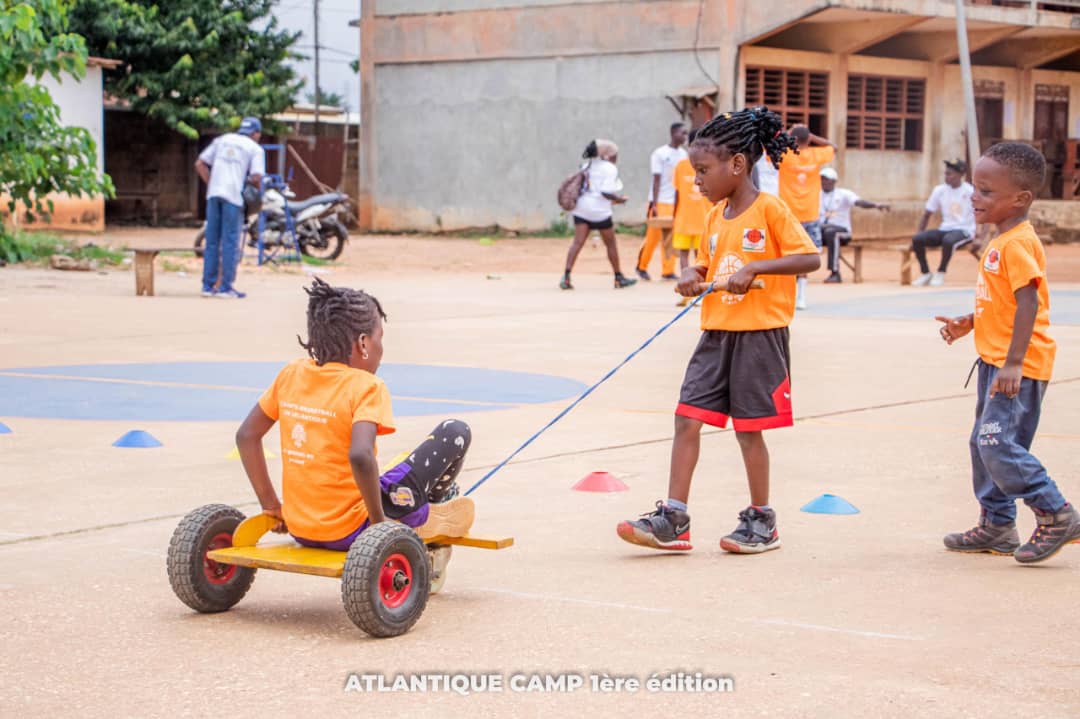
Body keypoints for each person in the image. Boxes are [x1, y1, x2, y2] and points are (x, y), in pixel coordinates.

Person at [616, 107, 820, 554]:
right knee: (686, 418)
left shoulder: (770, 210)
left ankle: (761, 520)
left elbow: (810, 258)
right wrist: (692, 274)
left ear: (738, 165)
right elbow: (709, 263)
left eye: (703, 171)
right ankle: (674, 517)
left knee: (749, 429)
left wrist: (759, 267)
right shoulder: (714, 216)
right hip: (716, 334)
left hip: (759, 336)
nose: (697, 182)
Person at [235, 278, 477, 573]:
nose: (381, 348)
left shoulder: (292, 374)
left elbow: (247, 435)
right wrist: (378, 527)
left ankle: (422, 504)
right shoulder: (366, 386)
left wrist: (272, 506)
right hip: (353, 530)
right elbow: (360, 455)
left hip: (301, 526)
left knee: (391, 469)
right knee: (455, 432)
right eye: (380, 339)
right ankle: (436, 504)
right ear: (364, 343)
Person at [936, 142, 1079, 564]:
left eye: (985, 191)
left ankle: (1056, 513)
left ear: (1021, 199)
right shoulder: (1002, 242)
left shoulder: (1016, 244)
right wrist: (970, 321)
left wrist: (1014, 363)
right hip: (996, 361)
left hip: (1018, 366)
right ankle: (997, 524)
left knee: (996, 442)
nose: (973, 196)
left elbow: (1030, 304)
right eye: (975, 188)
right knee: (982, 442)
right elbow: (1003, 304)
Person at [194, 116, 266, 299]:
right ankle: (225, 287)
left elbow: (200, 164)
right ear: (255, 133)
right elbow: (257, 177)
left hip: (213, 195)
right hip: (233, 198)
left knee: (211, 241)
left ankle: (208, 286)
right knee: (230, 243)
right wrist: (247, 186)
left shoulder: (222, 140)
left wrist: (212, 183)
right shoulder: (255, 148)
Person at [561, 140, 637, 290]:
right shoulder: (609, 168)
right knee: (610, 244)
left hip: (582, 208)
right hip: (599, 211)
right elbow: (606, 192)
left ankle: (566, 276)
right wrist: (619, 199)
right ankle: (618, 277)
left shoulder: (586, 166)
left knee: (577, 243)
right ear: (608, 155)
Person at [778, 125, 835, 310]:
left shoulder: (785, 154)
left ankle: (788, 295)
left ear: (792, 139)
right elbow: (833, 147)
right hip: (810, 214)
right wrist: (814, 137)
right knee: (805, 256)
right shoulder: (816, 155)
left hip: (788, 214)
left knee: (786, 255)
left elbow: (769, 146)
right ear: (808, 140)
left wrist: (787, 135)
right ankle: (801, 296)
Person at [911, 159, 978, 287]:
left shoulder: (969, 191)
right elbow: (927, 214)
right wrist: (918, 233)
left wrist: (980, 237)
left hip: (965, 230)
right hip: (945, 228)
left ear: (960, 175)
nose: (946, 177)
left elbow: (982, 214)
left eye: (950, 174)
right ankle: (926, 273)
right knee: (917, 239)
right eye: (945, 173)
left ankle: (941, 272)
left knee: (949, 240)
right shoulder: (939, 190)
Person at [636, 122, 689, 281]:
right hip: (660, 201)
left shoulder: (683, 155)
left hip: (675, 201)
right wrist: (654, 203)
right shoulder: (659, 153)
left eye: (687, 134)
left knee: (671, 238)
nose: (685, 137)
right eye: (682, 133)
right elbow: (656, 179)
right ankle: (641, 266)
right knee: (653, 237)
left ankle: (668, 271)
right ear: (673, 134)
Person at [819, 167, 889, 283]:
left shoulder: (843, 194)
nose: (824, 182)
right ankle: (799, 273)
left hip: (842, 232)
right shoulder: (816, 195)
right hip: (821, 232)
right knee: (807, 231)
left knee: (831, 233)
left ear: (834, 181)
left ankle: (835, 273)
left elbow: (859, 202)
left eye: (827, 179)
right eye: (822, 179)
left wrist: (876, 205)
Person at [671, 129, 714, 306]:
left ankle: (687, 291)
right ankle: (697, 292)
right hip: (700, 218)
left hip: (687, 218)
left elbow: (677, 193)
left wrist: (675, 214)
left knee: (685, 255)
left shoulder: (681, 164)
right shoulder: (709, 164)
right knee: (700, 258)